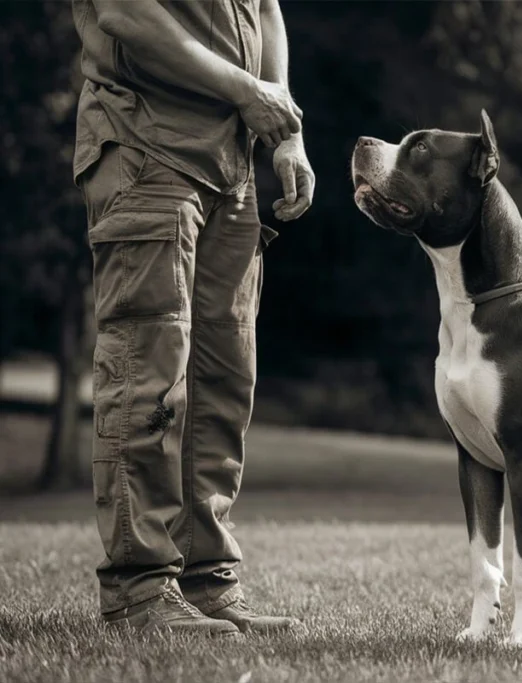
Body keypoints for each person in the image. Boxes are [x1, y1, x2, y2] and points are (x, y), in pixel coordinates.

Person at [72, 0, 314, 636]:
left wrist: (284, 129)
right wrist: (246, 90)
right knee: (146, 377)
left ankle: (206, 580)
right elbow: (125, 13)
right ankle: (140, 590)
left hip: (231, 170)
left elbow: (264, 9)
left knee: (221, 385)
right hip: (146, 148)